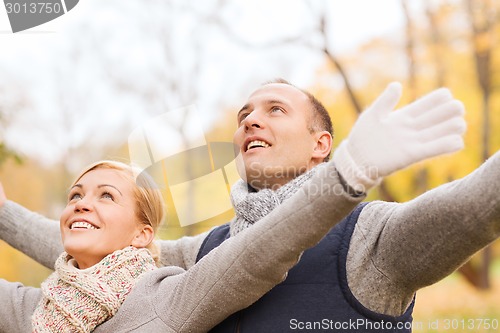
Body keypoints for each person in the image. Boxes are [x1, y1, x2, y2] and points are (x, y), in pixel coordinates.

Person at [2, 79, 499, 332]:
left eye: (275, 110)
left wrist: (353, 171)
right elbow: (99, 244)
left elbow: (477, 205)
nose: (250, 122)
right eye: (244, 115)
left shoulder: (374, 238)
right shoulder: (207, 251)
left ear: (321, 144)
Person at [0, 159, 365, 333]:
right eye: (75, 195)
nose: (80, 203)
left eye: (106, 196)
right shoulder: (34, 309)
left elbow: (256, 253)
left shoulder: (165, 298)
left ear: (141, 235)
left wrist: (346, 179)